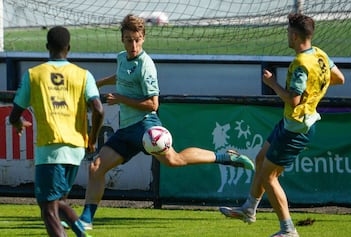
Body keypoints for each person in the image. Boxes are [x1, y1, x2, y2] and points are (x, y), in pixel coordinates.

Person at [78, 14, 255, 230]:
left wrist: (121, 98)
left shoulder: (146, 65)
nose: (132, 45)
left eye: (136, 39)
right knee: (96, 167)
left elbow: (153, 104)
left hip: (146, 126)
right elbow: (122, 75)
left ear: (143, 38)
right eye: (128, 40)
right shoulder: (122, 58)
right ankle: (86, 220)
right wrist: (100, 83)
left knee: (175, 160)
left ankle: (225, 157)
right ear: (122, 40)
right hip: (126, 129)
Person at [219, 13, 345, 237]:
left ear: (295, 36)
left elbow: (293, 99)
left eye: (288, 32)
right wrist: (314, 90)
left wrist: (272, 83)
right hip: (291, 122)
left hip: (296, 127)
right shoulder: (319, 54)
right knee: (260, 159)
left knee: (269, 176)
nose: (287, 35)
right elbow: (338, 78)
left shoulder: (300, 63)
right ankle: (249, 208)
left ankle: (288, 230)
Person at [9, 26, 104, 237]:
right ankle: (82, 234)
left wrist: (18, 124)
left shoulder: (34, 75)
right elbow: (98, 109)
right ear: (68, 48)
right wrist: (92, 138)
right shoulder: (83, 75)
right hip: (75, 149)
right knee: (59, 203)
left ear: (47, 47)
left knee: (48, 209)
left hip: (50, 148)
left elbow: (14, 114)